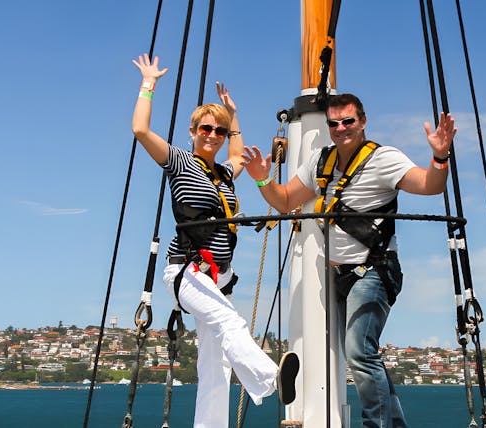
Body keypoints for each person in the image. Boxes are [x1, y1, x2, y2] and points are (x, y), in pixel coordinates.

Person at [242, 93, 456, 427]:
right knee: (360, 354)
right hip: (335, 276)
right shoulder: (320, 162)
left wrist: (440, 156)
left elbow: (430, 185)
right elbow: (284, 201)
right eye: (334, 123)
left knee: (358, 351)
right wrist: (261, 179)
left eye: (348, 121)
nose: (341, 128)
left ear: (363, 121)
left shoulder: (384, 159)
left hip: (373, 271)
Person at [131, 53, 299, 428]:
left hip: (220, 276)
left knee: (216, 363)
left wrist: (232, 114)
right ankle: (270, 378)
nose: (213, 136)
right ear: (193, 132)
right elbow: (141, 131)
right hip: (187, 271)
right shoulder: (179, 162)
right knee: (229, 323)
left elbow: (239, 154)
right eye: (206, 129)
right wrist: (149, 83)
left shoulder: (223, 173)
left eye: (219, 132)